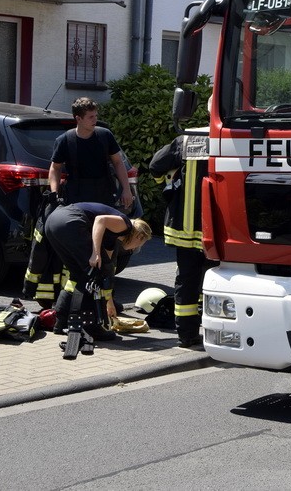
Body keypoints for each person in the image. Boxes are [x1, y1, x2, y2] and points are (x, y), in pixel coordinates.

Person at [47, 202, 151, 339]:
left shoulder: (112, 237)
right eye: (139, 245)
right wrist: (95, 253)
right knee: (94, 276)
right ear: (139, 236)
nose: (134, 249)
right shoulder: (125, 225)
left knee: (78, 276)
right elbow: (100, 220)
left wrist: (110, 303)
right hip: (70, 222)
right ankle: (93, 327)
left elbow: (107, 270)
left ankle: (60, 322)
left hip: (54, 222)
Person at [149, 133, 215, 348]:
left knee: (187, 280)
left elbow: (156, 165)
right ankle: (219, 332)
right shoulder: (235, 137)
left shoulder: (188, 140)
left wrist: (171, 182)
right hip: (219, 232)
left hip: (185, 229)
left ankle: (187, 336)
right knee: (219, 281)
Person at [49, 96, 134, 210]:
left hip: (104, 195)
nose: (95, 120)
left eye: (96, 116)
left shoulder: (105, 135)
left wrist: (126, 190)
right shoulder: (65, 140)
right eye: (90, 117)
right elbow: (55, 168)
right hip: (76, 198)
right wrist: (54, 193)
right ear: (78, 119)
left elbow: (118, 162)